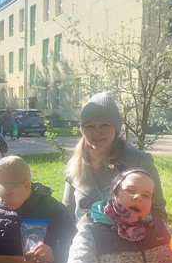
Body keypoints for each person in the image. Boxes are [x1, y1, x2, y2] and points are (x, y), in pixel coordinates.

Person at [63, 92, 166, 223]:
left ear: (116, 128)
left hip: (130, 242)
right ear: (83, 130)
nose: (97, 132)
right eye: (90, 126)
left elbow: (159, 213)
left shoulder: (139, 161)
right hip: (82, 241)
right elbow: (65, 215)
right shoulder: (74, 165)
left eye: (104, 125)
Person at [0, 155, 76, 263]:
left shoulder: (53, 209)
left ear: (26, 186)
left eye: (8, 194)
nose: (3, 199)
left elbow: (74, 245)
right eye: (0, 194)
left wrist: (55, 254)